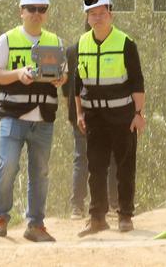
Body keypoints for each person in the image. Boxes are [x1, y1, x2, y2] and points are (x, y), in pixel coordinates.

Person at [0, 0, 66, 242]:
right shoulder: (7, 39)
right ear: (21, 11)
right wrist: (18, 75)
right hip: (12, 116)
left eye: (41, 9)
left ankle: (36, 224)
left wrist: (60, 79)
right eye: (31, 9)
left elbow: (63, 74)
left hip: (43, 118)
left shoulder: (55, 41)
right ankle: (0, 217)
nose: (36, 13)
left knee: (40, 172)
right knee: (7, 165)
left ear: (47, 12)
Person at [73, 0, 146, 235]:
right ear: (87, 17)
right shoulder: (82, 43)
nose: (97, 17)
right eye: (93, 13)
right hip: (95, 118)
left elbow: (137, 82)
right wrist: (80, 114)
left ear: (111, 14)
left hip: (122, 116)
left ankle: (125, 215)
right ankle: (97, 218)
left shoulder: (126, 43)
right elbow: (77, 84)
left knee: (125, 167)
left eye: (102, 12)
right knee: (96, 167)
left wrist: (138, 113)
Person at [64, 44, 118, 220]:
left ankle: (77, 206)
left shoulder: (72, 50)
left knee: (82, 158)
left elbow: (66, 89)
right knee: (110, 157)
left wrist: (71, 111)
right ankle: (112, 204)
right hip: (102, 110)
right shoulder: (113, 46)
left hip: (80, 112)